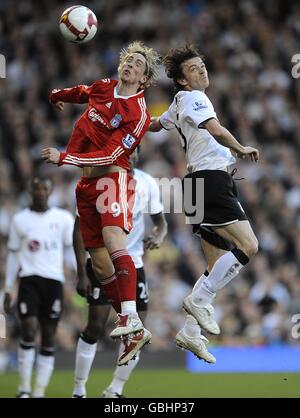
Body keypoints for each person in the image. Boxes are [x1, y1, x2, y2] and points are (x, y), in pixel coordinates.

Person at [41, 41, 160, 365]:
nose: (130, 66)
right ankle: (131, 326)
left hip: (111, 178)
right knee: (99, 262)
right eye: (128, 60)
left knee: (112, 240)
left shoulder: (138, 113)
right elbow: (83, 91)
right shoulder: (104, 87)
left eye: (137, 65)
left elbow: (111, 154)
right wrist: (58, 94)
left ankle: (131, 318)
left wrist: (64, 157)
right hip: (85, 183)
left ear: (144, 79)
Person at [149, 44, 259, 360]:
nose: (202, 70)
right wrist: (240, 147)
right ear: (183, 80)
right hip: (210, 180)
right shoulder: (196, 98)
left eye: (202, 65)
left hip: (194, 185)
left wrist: (130, 120)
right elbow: (215, 129)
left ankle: (190, 333)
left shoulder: (177, 102)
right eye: (194, 68)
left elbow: (157, 125)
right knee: (249, 247)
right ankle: (199, 301)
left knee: (214, 266)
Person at [72, 151, 168, 398]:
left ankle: (115, 390)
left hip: (134, 264)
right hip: (103, 262)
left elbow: (161, 222)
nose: (131, 157)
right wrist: (82, 271)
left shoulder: (147, 183)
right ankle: (79, 388)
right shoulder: (100, 181)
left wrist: (158, 235)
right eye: (127, 153)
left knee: (136, 331)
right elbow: (79, 226)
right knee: (95, 325)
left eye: (135, 153)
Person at [3, 176, 74, 398]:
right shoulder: (20, 220)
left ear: (50, 191)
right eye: (37, 188)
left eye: (45, 187)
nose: (41, 192)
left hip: (53, 281)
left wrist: (82, 276)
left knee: (49, 335)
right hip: (29, 280)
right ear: (30, 191)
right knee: (28, 329)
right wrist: (8, 288)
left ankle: (39, 391)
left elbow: (71, 251)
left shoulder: (62, 218)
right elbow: (13, 255)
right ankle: (24, 387)